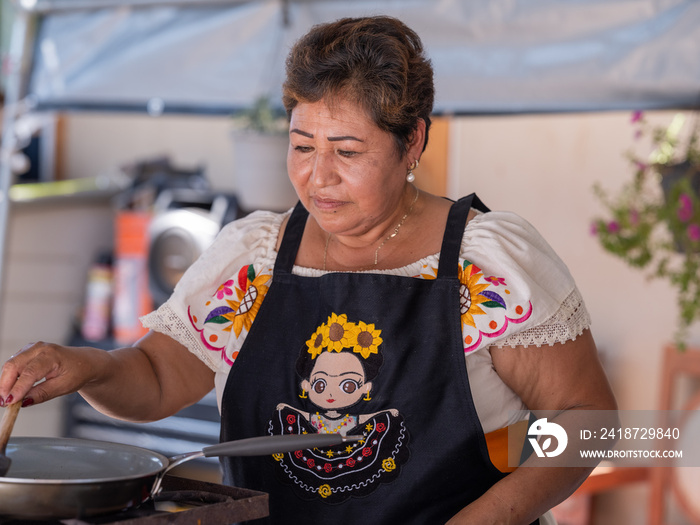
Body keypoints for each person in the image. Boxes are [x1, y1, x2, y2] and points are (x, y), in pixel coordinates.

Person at [0, 15, 616, 525]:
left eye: (347, 152)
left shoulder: (489, 265)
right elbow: (159, 377)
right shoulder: (254, 258)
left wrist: (492, 519)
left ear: (413, 143)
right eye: (301, 146)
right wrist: (87, 365)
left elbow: (588, 420)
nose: (317, 178)